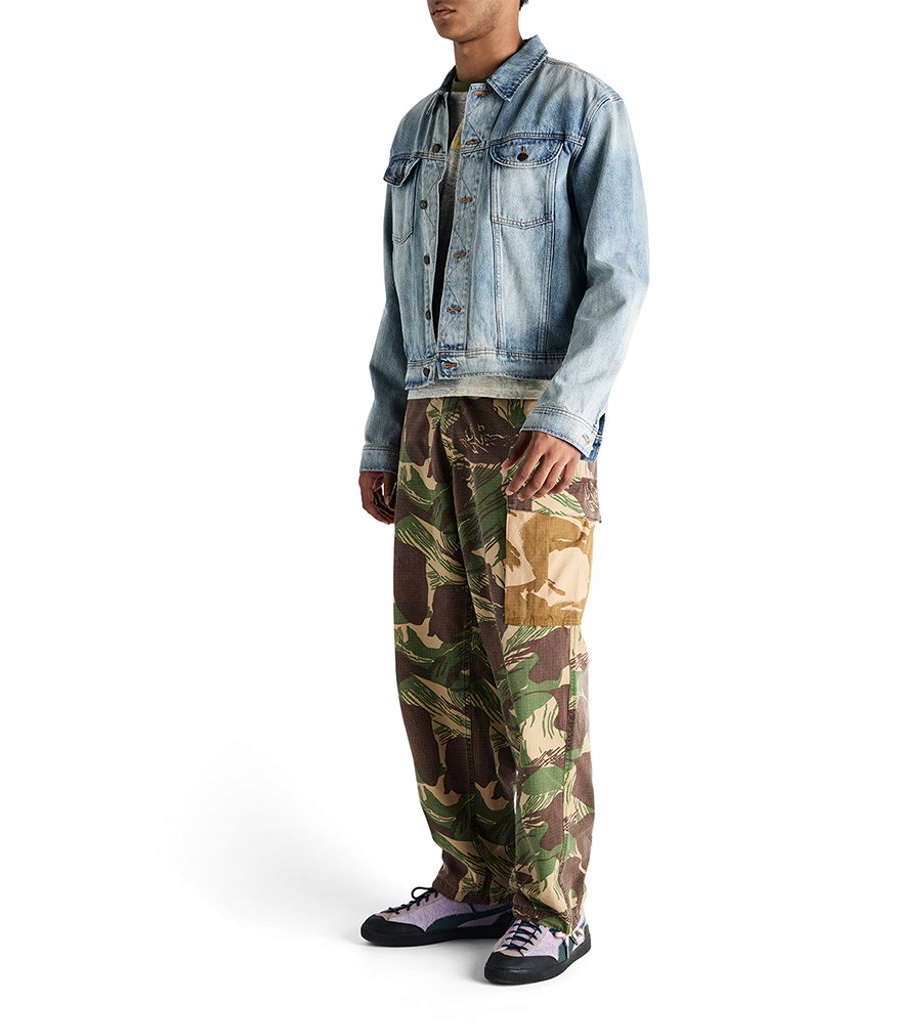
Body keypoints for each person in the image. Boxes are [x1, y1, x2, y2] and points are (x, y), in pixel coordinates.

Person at [357, 0, 649, 985]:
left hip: (534, 438)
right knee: (436, 668)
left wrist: (567, 420)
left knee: (535, 671)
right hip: (427, 428)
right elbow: (398, 303)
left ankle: (551, 909)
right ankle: (473, 877)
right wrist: (383, 432)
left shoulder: (581, 108)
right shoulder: (415, 130)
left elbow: (620, 279)